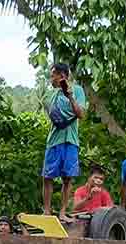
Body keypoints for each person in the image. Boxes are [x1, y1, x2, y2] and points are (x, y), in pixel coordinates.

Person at [41, 63, 86, 221]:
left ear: (63, 76)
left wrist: (70, 96)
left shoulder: (78, 90)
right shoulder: (52, 95)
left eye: (53, 75)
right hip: (54, 140)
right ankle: (47, 211)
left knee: (68, 178)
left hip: (71, 140)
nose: (51, 78)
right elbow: (53, 116)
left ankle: (62, 212)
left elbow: (80, 114)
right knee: (48, 177)